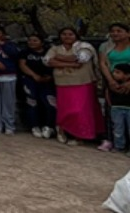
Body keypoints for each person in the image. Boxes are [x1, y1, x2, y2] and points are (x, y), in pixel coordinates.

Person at [45, 27, 106, 147]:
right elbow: (47, 61)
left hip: (82, 82)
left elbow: (82, 58)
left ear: (76, 35)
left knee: (80, 110)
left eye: (70, 34)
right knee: (64, 109)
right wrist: (71, 63)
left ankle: (80, 136)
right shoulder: (55, 48)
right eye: (64, 34)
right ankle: (62, 130)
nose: (67, 36)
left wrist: (58, 58)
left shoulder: (85, 46)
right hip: (62, 83)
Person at [18, 34, 56, 139]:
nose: (32, 42)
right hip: (30, 80)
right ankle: (34, 126)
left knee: (50, 103)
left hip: (47, 81)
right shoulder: (24, 52)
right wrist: (34, 75)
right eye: (30, 40)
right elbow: (22, 65)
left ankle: (49, 126)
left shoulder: (49, 52)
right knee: (32, 102)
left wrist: (49, 77)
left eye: (35, 40)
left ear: (41, 42)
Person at [100, 22, 130, 152]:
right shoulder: (106, 46)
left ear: (128, 33)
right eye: (113, 31)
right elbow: (103, 63)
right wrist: (110, 80)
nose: (115, 33)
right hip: (112, 80)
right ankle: (111, 140)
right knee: (112, 111)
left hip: (128, 80)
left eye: (119, 31)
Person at [109, 64, 130, 155]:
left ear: (127, 75)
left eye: (118, 72)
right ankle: (119, 146)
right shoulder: (112, 83)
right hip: (116, 108)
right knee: (118, 129)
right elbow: (107, 93)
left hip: (128, 108)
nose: (114, 74)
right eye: (114, 72)